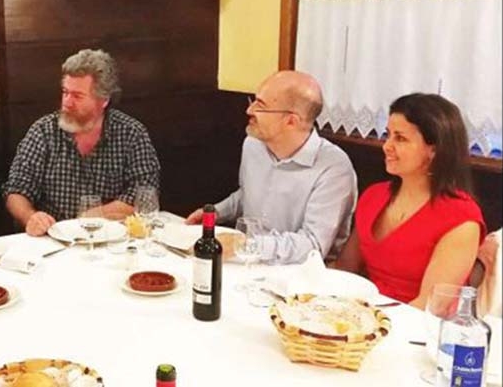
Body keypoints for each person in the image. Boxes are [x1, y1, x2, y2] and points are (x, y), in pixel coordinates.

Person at [186, 70, 357, 264]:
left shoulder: (334, 168)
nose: (249, 111)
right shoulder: (253, 145)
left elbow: (312, 246)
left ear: (291, 121)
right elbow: (249, 195)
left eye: (261, 105)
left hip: (298, 278)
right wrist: (216, 213)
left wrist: (244, 244)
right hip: (248, 263)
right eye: (253, 101)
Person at [335, 93, 486, 309]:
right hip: (363, 315)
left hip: (418, 329)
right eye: (388, 135)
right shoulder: (374, 195)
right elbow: (344, 269)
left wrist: (366, 325)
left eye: (400, 138)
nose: (386, 146)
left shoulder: (461, 217)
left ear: (434, 150)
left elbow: (432, 305)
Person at [4, 49, 160, 236]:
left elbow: (145, 195)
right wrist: (31, 216)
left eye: (77, 96)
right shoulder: (43, 131)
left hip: (111, 242)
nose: (66, 103)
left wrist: (95, 216)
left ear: (103, 100)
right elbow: (16, 190)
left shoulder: (131, 134)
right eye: (65, 92)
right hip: (53, 243)